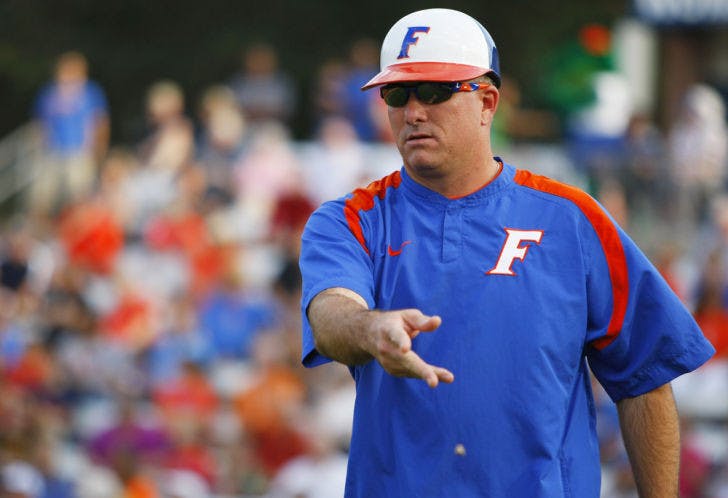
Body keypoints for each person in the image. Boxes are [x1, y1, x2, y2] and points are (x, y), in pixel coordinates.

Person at [298, 8, 715, 497]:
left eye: (435, 91)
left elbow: (644, 377)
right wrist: (369, 328)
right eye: (398, 93)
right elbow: (330, 316)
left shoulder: (571, 219)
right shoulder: (350, 217)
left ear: (488, 102)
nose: (414, 111)